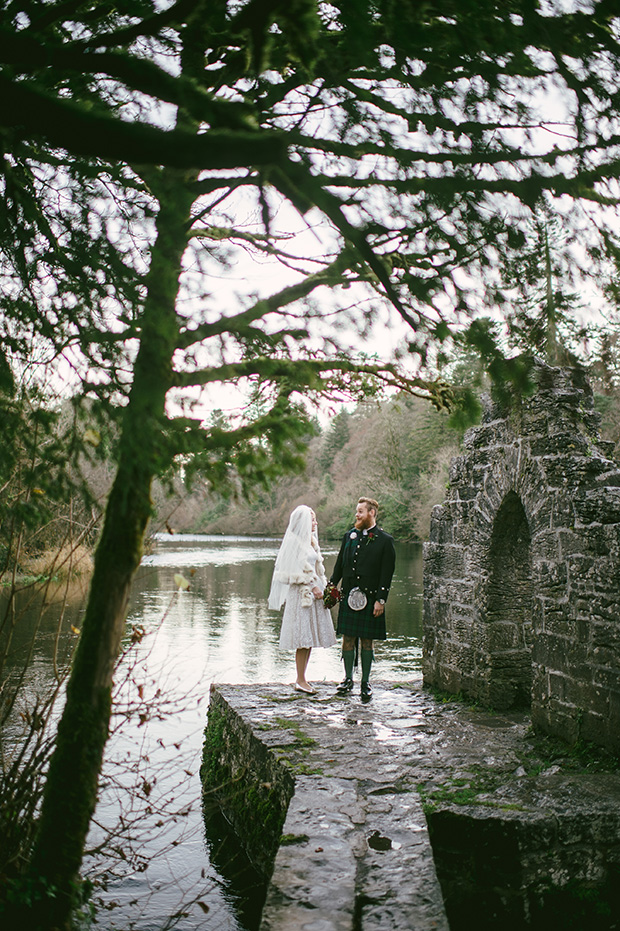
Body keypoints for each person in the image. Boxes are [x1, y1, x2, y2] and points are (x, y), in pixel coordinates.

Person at [329, 497, 395, 701]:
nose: (356, 515)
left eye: (360, 512)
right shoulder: (349, 536)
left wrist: (381, 600)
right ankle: (348, 679)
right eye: (356, 511)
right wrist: (331, 587)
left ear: (371, 513)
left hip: (371, 598)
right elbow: (340, 565)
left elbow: (387, 573)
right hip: (349, 596)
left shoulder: (385, 540)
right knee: (347, 639)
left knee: (367, 641)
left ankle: (365, 683)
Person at [268, 505, 336, 694]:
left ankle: (303, 678)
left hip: (314, 593)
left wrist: (322, 585)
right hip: (302, 595)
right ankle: (299, 680)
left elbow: (315, 566)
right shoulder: (295, 543)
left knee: (310, 637)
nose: (316, 522)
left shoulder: (311, 541)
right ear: (304, 522)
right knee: (303, 637)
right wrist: (312, 586)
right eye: (313, 519)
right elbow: (292, 569)